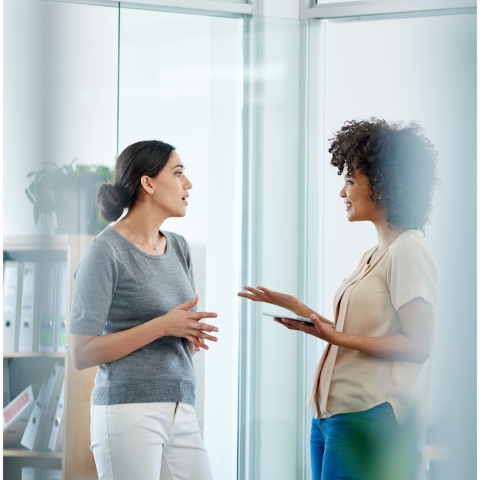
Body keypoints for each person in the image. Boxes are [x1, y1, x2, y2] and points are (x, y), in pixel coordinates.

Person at [239, 119, 439, 480]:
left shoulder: (409, 250)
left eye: (350, 181)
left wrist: (336, 337)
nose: (342, 192)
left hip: (368, 416)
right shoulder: (373, 254)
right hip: (329, 418)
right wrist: (300, 310)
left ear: (382, 184)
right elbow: (360, 330)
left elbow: (418, 345)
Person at [69, 140, 218, 480]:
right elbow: (81, 353)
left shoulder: (178, 247)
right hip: (127, 410)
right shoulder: (104, 252)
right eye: (178, 173)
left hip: (181, 405)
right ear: (148, 184)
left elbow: (177, 331)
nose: (188, 184)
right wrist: (164, 326)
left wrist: (189, 333)